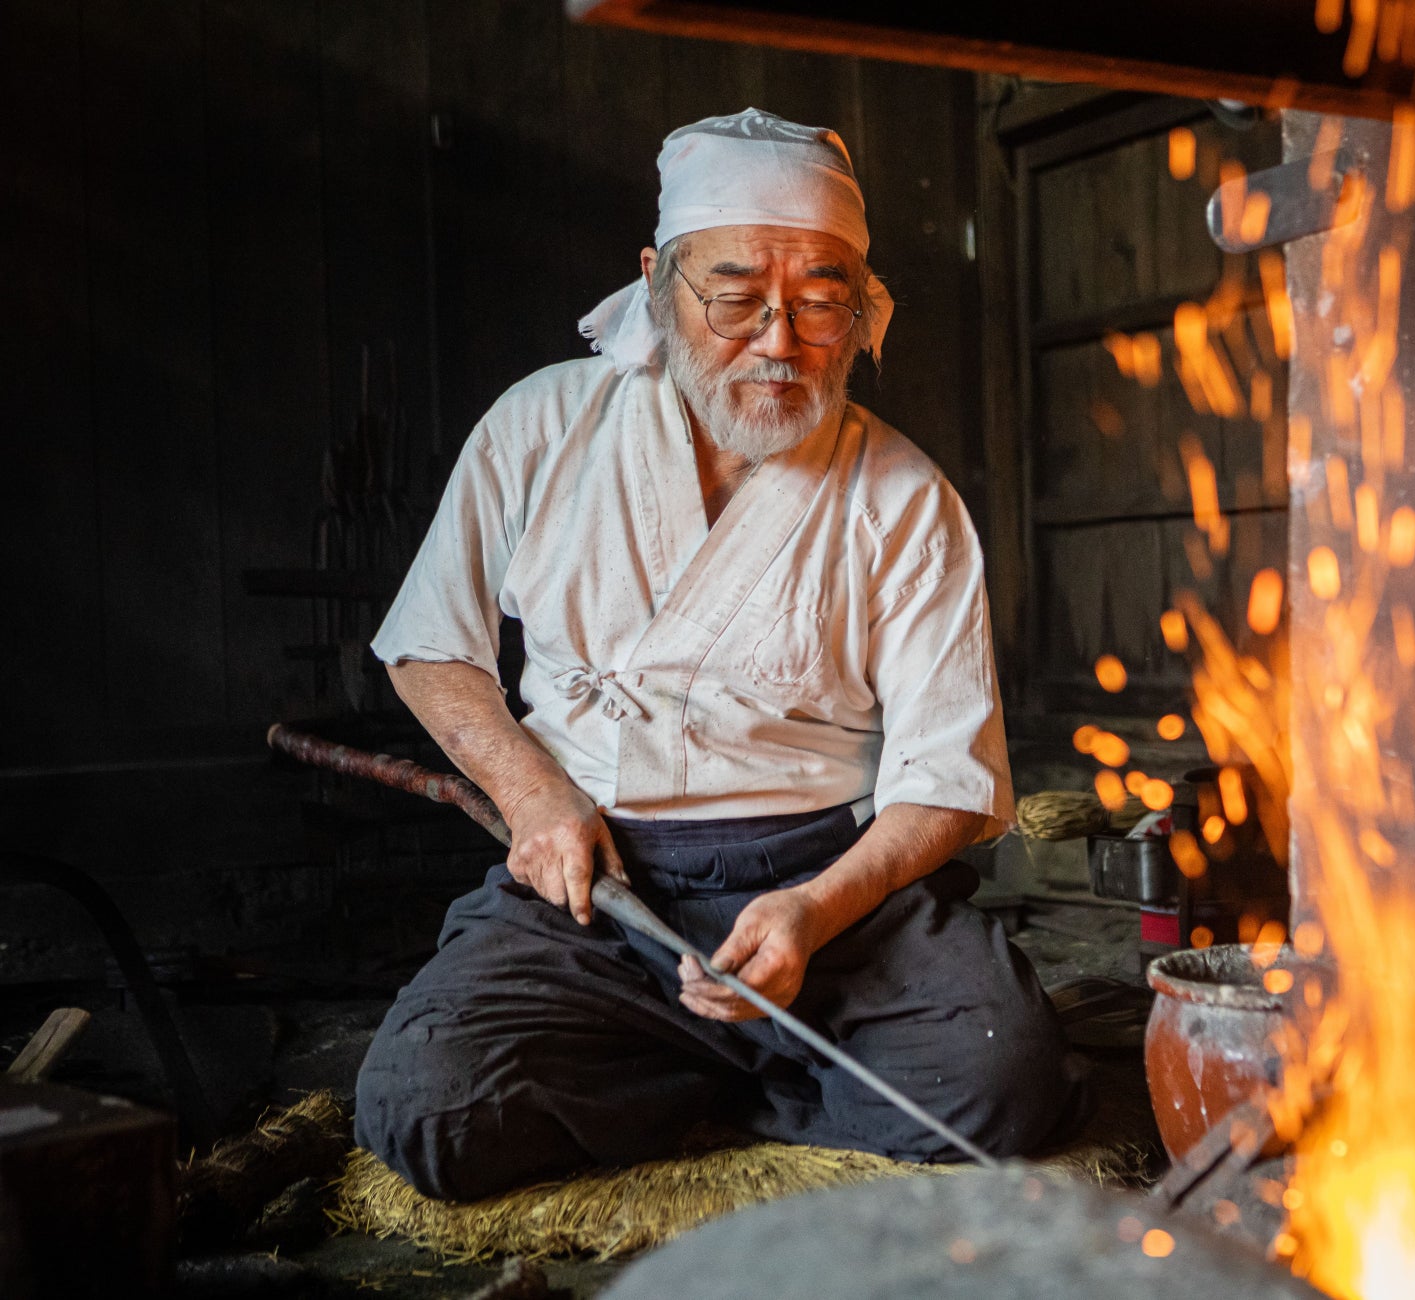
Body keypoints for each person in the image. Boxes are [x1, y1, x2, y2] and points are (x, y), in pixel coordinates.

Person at [353, 108, 1085, 1201]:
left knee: (1003, 1078)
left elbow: (947, 781)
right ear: (658, 283)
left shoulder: (905, 498)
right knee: (424, 1104)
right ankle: (740, 1068)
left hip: (829, 895)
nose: (781, 341)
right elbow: (428, 648)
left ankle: (699, 1069)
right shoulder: (541, 427)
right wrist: (532, 792)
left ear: (862, 306)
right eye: (737, 298)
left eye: (821, 300)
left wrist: (815, 910)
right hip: (598, 891)